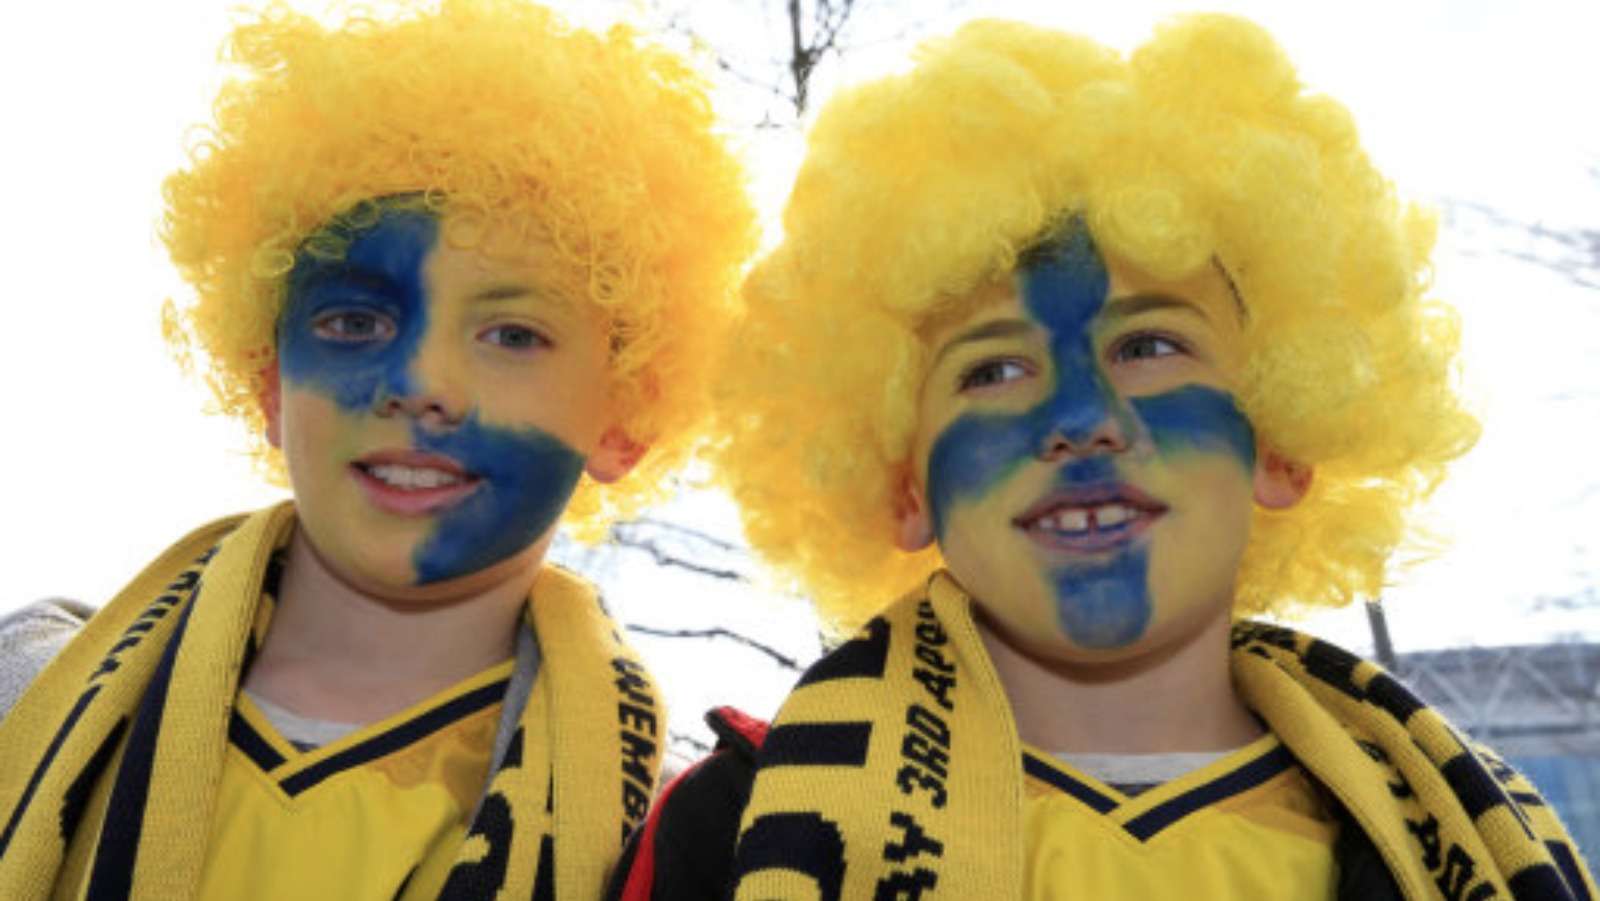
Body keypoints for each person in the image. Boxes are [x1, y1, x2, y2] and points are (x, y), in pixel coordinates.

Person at [608, 14, 1597, 901]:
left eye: (1150, 346)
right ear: (906, 485)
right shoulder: (732, 826)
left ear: (1282, 438)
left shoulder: (1465, 839)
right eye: (993, 369)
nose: (1080, 416)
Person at [0, 1, 755, 898]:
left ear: (627, 413)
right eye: (354, 320)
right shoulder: (29, 698)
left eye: (512, 334)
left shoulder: (681, 852)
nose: (422, 379)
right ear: (270, 383)